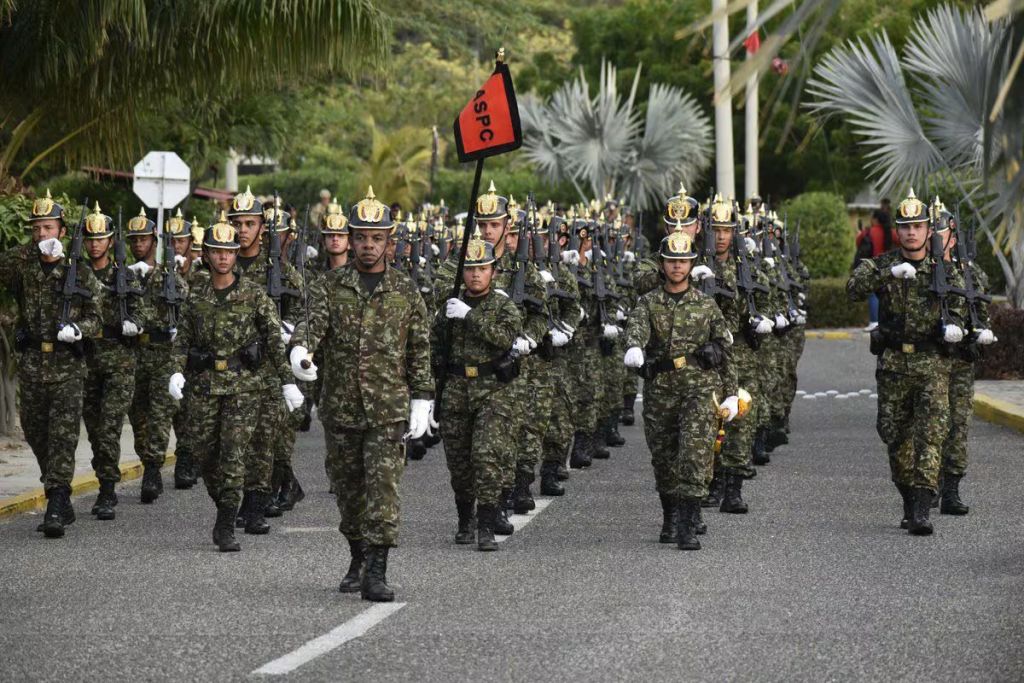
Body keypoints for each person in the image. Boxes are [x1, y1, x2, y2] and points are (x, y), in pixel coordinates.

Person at [289, 187, 433, 601]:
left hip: (388, 409)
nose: (369, 245)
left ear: (389, 241)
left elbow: (419, 348)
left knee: (384, 489)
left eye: (377, 237)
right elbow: (313, 324)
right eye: (362, 237)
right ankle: (358, 555)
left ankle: (377, 571)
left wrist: (422, 399)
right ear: (351, 240)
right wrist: (300, 349)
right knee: (349, 491)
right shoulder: (329, 285)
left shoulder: (405, 290)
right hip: (342, 407)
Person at [170, 212, 300, 552]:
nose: (224, 257)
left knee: (234, 453)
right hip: (204, 386)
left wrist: (287, 382)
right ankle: (224, 502)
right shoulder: (197, 296)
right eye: (217, 251)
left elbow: (274, 342)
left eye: (228, 251)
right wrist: (175, 371)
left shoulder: (254, 295)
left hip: (244, 387)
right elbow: (182, 341)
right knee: (204, 453)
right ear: (207, 255)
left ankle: (226, 521)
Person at [847, 190, 968, 535]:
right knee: (893, 434)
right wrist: (890, 275)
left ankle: (922, 509)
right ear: (897, 231)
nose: (912, 232)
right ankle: (908, 497)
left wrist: (956, 327)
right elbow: (854, 288)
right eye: (906, 227)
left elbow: (960, 307)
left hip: (932, 364)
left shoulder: (945, 271)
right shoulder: (883, 264)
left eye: (918, 226)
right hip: (894, 365)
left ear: (929, 230)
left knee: (931, 434)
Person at [624, 221, 738, 550]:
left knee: (695, 453)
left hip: (699, 387)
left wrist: (731, 394)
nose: (677, 266)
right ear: (662, 264)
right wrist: (634, 346)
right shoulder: (648, 302)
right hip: (661, 388)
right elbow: (636, 327)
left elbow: (725, 350)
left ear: (691, 264)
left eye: (683, 261)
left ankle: (689, 523)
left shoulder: (706, 304)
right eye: (672, 261)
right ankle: (670, 516)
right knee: (663, 457)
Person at [0, 191, 104, 537]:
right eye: (37, 229)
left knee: (62, 437)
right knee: (34, 431)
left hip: (67, 368)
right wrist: (34, 249)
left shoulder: (80, 272)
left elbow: (97, 318)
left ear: (62, 229)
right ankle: (57, 489)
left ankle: (57, 501)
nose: (42, 233)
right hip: (32, 364)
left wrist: (79, 329)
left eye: (48, 227)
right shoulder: (24, 267)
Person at [432, 227, 523, 550]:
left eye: (482, 268)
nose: (475, 275)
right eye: (470, 269)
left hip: (493, 391)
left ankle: (486, 525)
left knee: (486, 457)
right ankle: (465, 520)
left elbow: (504, 338)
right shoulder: (449, 307)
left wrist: (469, 316)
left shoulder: (503, 306)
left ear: (493, 272)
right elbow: (433, 346)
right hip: (456, 390)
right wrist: (429, 393)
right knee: (459, 464)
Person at [81, 203, 149, 519]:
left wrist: (135, 324)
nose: (95, 244)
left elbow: (141, 311)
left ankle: (107, 490)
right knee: (95, 430)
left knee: (109, 426)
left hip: (119, 360)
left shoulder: (125, 274)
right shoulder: (76, 274)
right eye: (90, 239)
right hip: (86, 360)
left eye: (100, 239)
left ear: (110, 241)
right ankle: (104, 477)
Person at [126, 208, 188, 504]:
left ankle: (152, 470)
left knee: (161, 415)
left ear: (154, 241)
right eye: (133, 240)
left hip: (164, 354)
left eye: (143, 239)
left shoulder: (169, 276)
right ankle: (147, 459)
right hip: (134, 354)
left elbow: (187, 308)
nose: (138, 244)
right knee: (138, 417)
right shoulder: (125, 276)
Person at [856, 209, 898, 331]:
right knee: (890, 295)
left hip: (873, 266)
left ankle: (874, 322)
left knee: (873, 294)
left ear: (875, 219)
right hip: (890, 267)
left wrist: (859, 234)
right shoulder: (891, 232)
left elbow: (858, 242)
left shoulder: (869, 231)